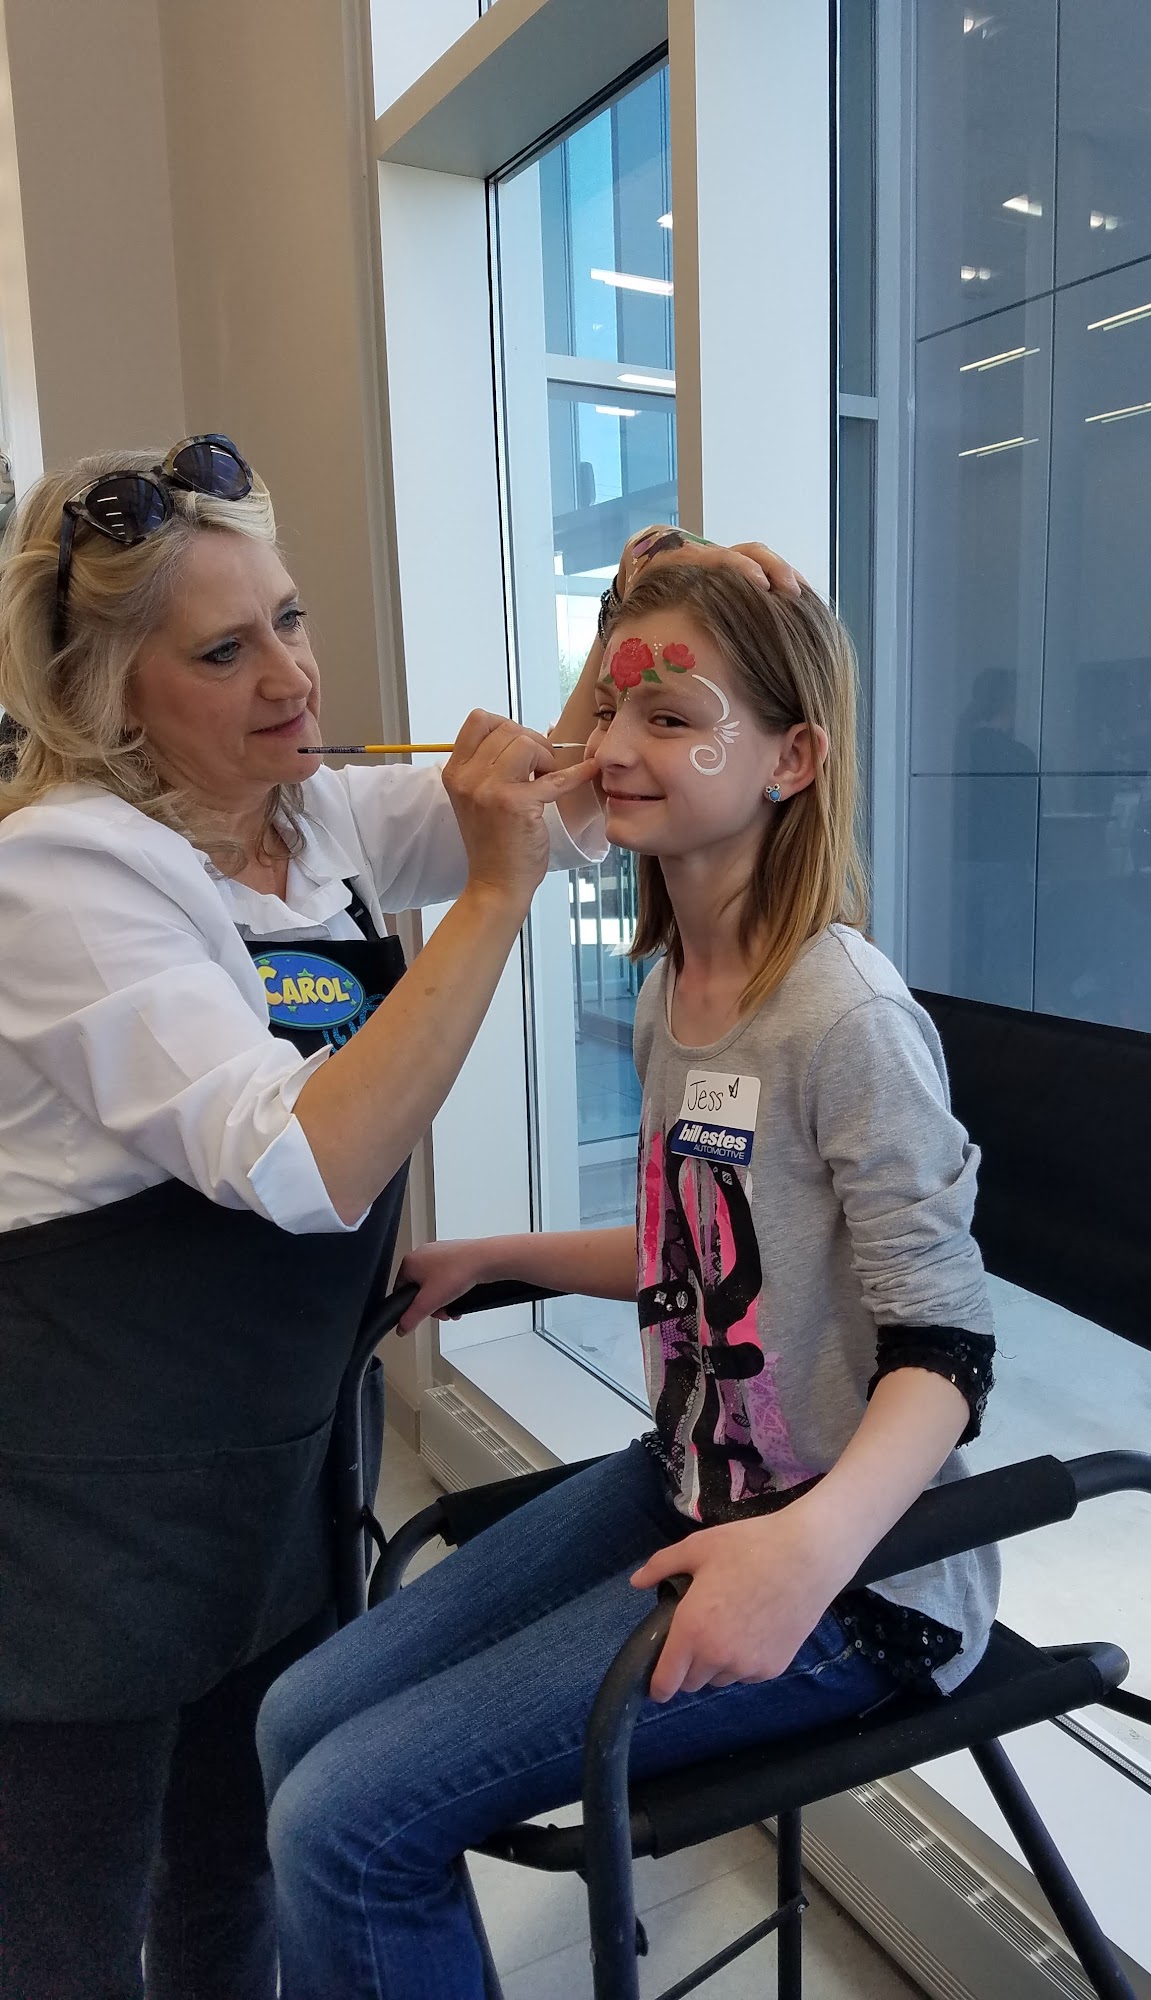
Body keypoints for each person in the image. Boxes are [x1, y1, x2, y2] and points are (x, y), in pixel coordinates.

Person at [0, 432, 797, 2000]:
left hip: (273, 1462)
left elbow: (561, 796)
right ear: (109, 695)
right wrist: (493, 895)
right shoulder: (64, 873)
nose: (291, 677)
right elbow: (309, 1164)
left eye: (290, 619)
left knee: (236, 1861)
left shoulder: (310, 818)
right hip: (81, 1506)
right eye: (224, 652)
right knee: (66, 1920)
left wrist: (629, 633)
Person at [256, 562, 1000, 1998]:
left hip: (856, 1579)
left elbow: (949, 1353)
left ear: (792, 759)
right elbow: (699, 1253)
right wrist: (498, 1256)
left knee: (347, 1829)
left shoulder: (846, 1019)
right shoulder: (676, 991)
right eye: (609, 710)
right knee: (295, 1720)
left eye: (671, 716)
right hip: (690, 1485)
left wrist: (804, 1555)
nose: (611, 747)